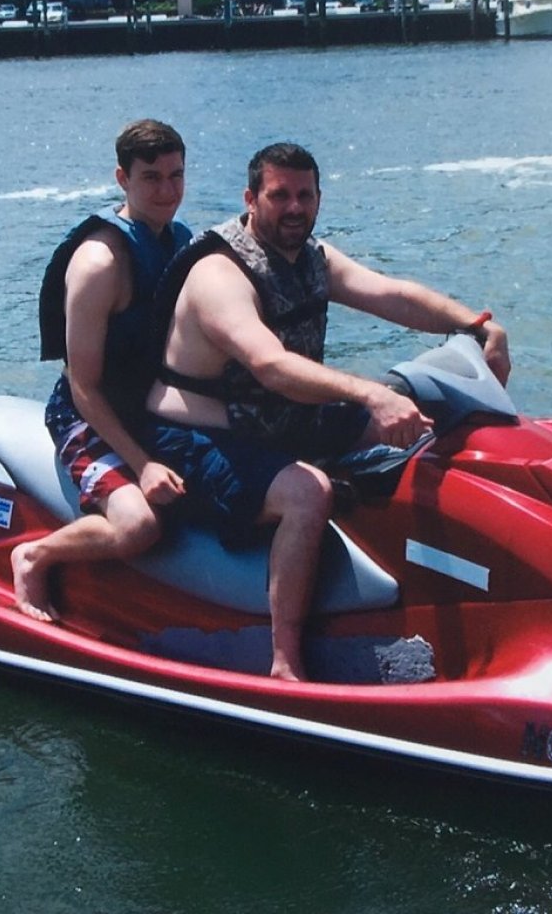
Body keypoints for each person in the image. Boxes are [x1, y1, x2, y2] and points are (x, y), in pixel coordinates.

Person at [146, 142, 510, 682]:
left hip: (279, 419)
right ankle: (285, 657)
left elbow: (392, 295)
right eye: (279, 196)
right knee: (307, 493)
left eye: (305, 195)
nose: (294, 208)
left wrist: (477, 325)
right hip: (198, 436)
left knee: (421, 437)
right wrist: (371, 394)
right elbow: (269, 364)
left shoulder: (312, 260)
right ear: (251, 199)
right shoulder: (219, 277)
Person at [11, 119, 191, 622]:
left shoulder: (178, 240)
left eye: (176, 176)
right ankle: (35, 555)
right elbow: (83, 385)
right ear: (122, 179)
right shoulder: (100, 263)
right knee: (140, 527)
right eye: (151, 177)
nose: (167, 190)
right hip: (86, 418)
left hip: (148, 407)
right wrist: (143, 464)